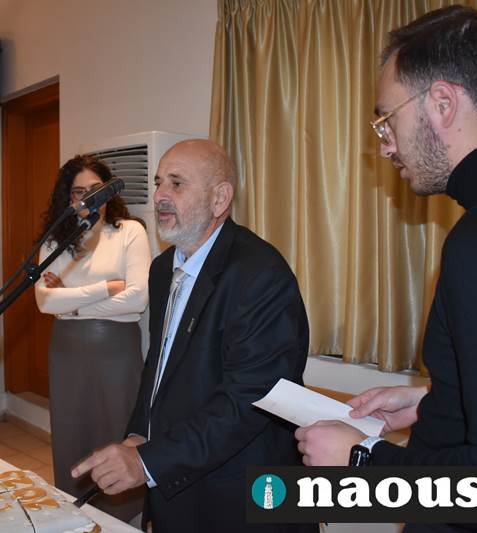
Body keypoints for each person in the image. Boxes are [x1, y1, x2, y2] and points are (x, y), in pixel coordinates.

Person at [295, 5, 477, 531]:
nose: (385, 146)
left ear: (443, 104)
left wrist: (361, 461)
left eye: (386, 120)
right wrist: (438, 399)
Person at [72, 140, 315, 533]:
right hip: (177, 480)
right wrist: (139, 434)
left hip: (240, 492)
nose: (159, 196)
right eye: (158, 183)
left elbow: (249, 401)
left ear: (220, 198)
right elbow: (159, 367)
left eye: (177, 183)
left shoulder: (260, 274)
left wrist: (148, 462)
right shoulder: (162, 268)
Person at [34, 155, 150, 522]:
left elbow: (138, 298)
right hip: (66, 349)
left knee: (116, 429)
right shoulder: (56, 240)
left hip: (116, 350)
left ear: (109, 192)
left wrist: (70, 302)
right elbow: (44, 301)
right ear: (67, 198)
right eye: (78, 192)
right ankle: (78, 514)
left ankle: (126, 518)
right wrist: (105, 288)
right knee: (72, 432)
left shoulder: (130, 231)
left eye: (95, 190)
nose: (87, 199)